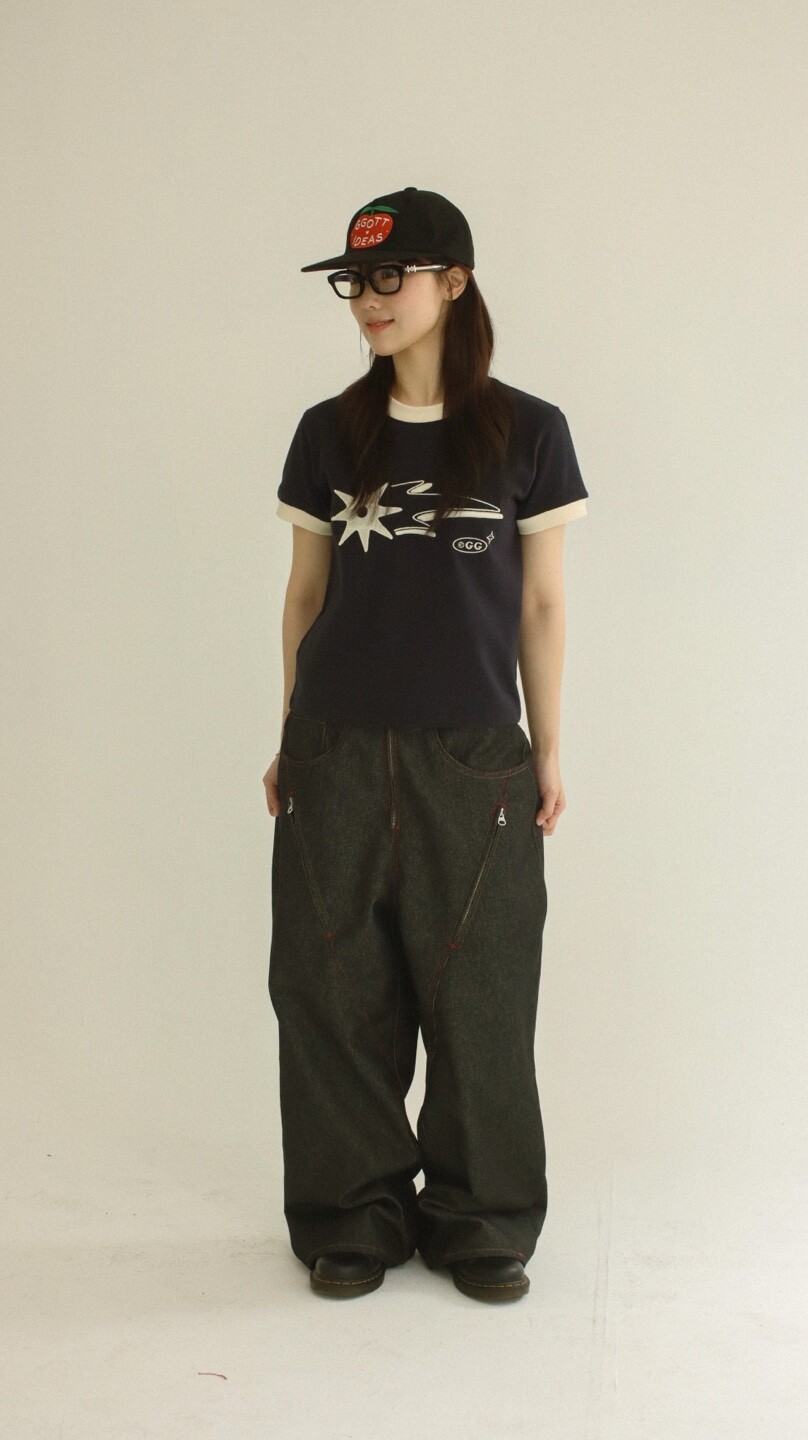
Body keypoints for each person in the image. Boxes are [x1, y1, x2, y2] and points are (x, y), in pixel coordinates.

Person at [263, 186, 588, 1303]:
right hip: (336, 748)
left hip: (474, 758)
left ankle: (481, 1218)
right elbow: (305, 595)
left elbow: (540, 604)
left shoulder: (528, 431)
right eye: (355, 281)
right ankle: (351, 1213)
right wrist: (290, 735)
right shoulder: (328, 432)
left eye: (389, 277)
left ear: (454, 282)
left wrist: (548, 747)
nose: (369, 299)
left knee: (481, 996)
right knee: (331, 991)